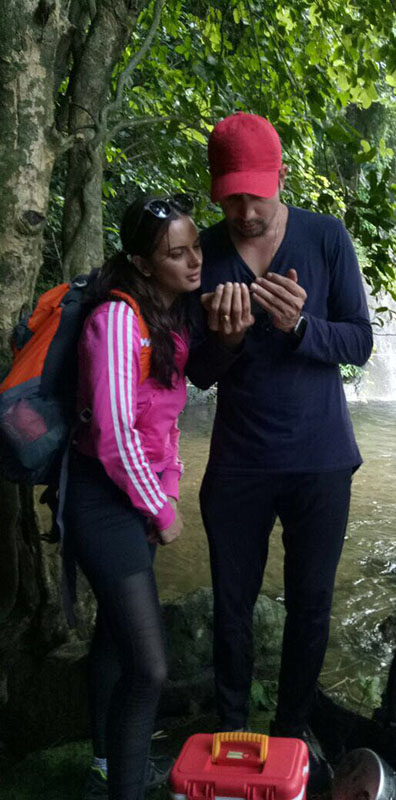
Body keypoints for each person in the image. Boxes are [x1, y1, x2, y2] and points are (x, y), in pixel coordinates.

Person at [186, 113, 373, 771]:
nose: (243, 211)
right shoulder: (203, 253)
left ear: (280, 177)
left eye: (254, 195)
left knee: (310, 608)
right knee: (232, 609)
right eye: (230, 196)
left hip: (322, 460)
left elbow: (359, 342)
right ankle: (232, 737)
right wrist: (228, 341)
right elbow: (196, 372)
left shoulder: (325, 239)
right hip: (239, 463)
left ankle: (292, 736)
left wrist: (299, 327)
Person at [63, 194, 202, 800]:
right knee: (150, 667)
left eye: (196, 246)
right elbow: (114, 434)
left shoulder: (165, 316)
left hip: (133, 498)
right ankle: (123, 785)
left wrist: (164, 487)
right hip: (102, 500)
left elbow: (164, 424)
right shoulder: (118, 322)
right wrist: (162, 509)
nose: (195, 261)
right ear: (144, 265)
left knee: (116, 639)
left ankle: (102, 759)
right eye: (177, 253)